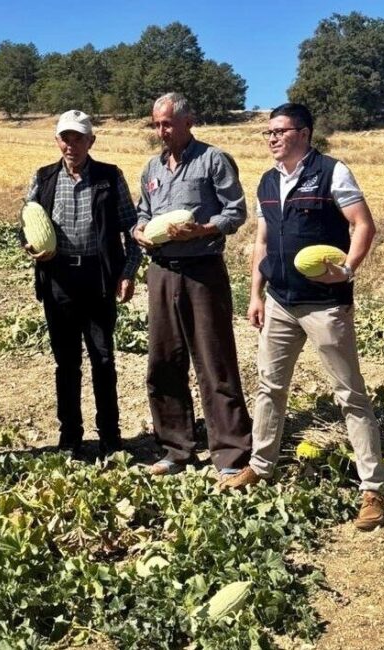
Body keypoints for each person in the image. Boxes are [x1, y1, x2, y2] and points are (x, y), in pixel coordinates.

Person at [222, 103, 384, 531]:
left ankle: (373, 489)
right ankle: (260, 466)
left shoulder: (333, 172)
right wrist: (255, 294)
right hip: (279, 300)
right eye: (269, 132)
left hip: (324, 304)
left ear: (305, 133)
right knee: (269, 387)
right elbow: (261, 240)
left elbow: (363, 225)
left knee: (349, 393)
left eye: (281, 131)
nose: (273, 138)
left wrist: (348, 270)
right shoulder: (267, 181)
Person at [133, 92, 252, 479]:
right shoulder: (152, 167)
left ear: (188, 121)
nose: (161, 131)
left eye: (167, 123)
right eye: (156, 124)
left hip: (203, 270)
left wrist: (203, 229)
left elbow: (236, 210)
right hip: (162, 271)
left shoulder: (213, 160)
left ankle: (231, 453)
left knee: (214, 361)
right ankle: (175, 448)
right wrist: (137, 231)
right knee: (163, 361)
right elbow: (143, 213)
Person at [23, 110, 142, 458]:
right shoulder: (43, 178)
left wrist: (128, 271)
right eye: (65, 137)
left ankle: (110, 436)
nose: (70, 144)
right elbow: (27, 223)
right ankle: (70, 438)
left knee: (103, 359)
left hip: (99, 278)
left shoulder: (109, 176)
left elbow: (132, 228)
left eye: (78, 137)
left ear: (91, 141)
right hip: (58, 278)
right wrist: (30, 247)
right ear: (57, 140)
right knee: (66, 363)